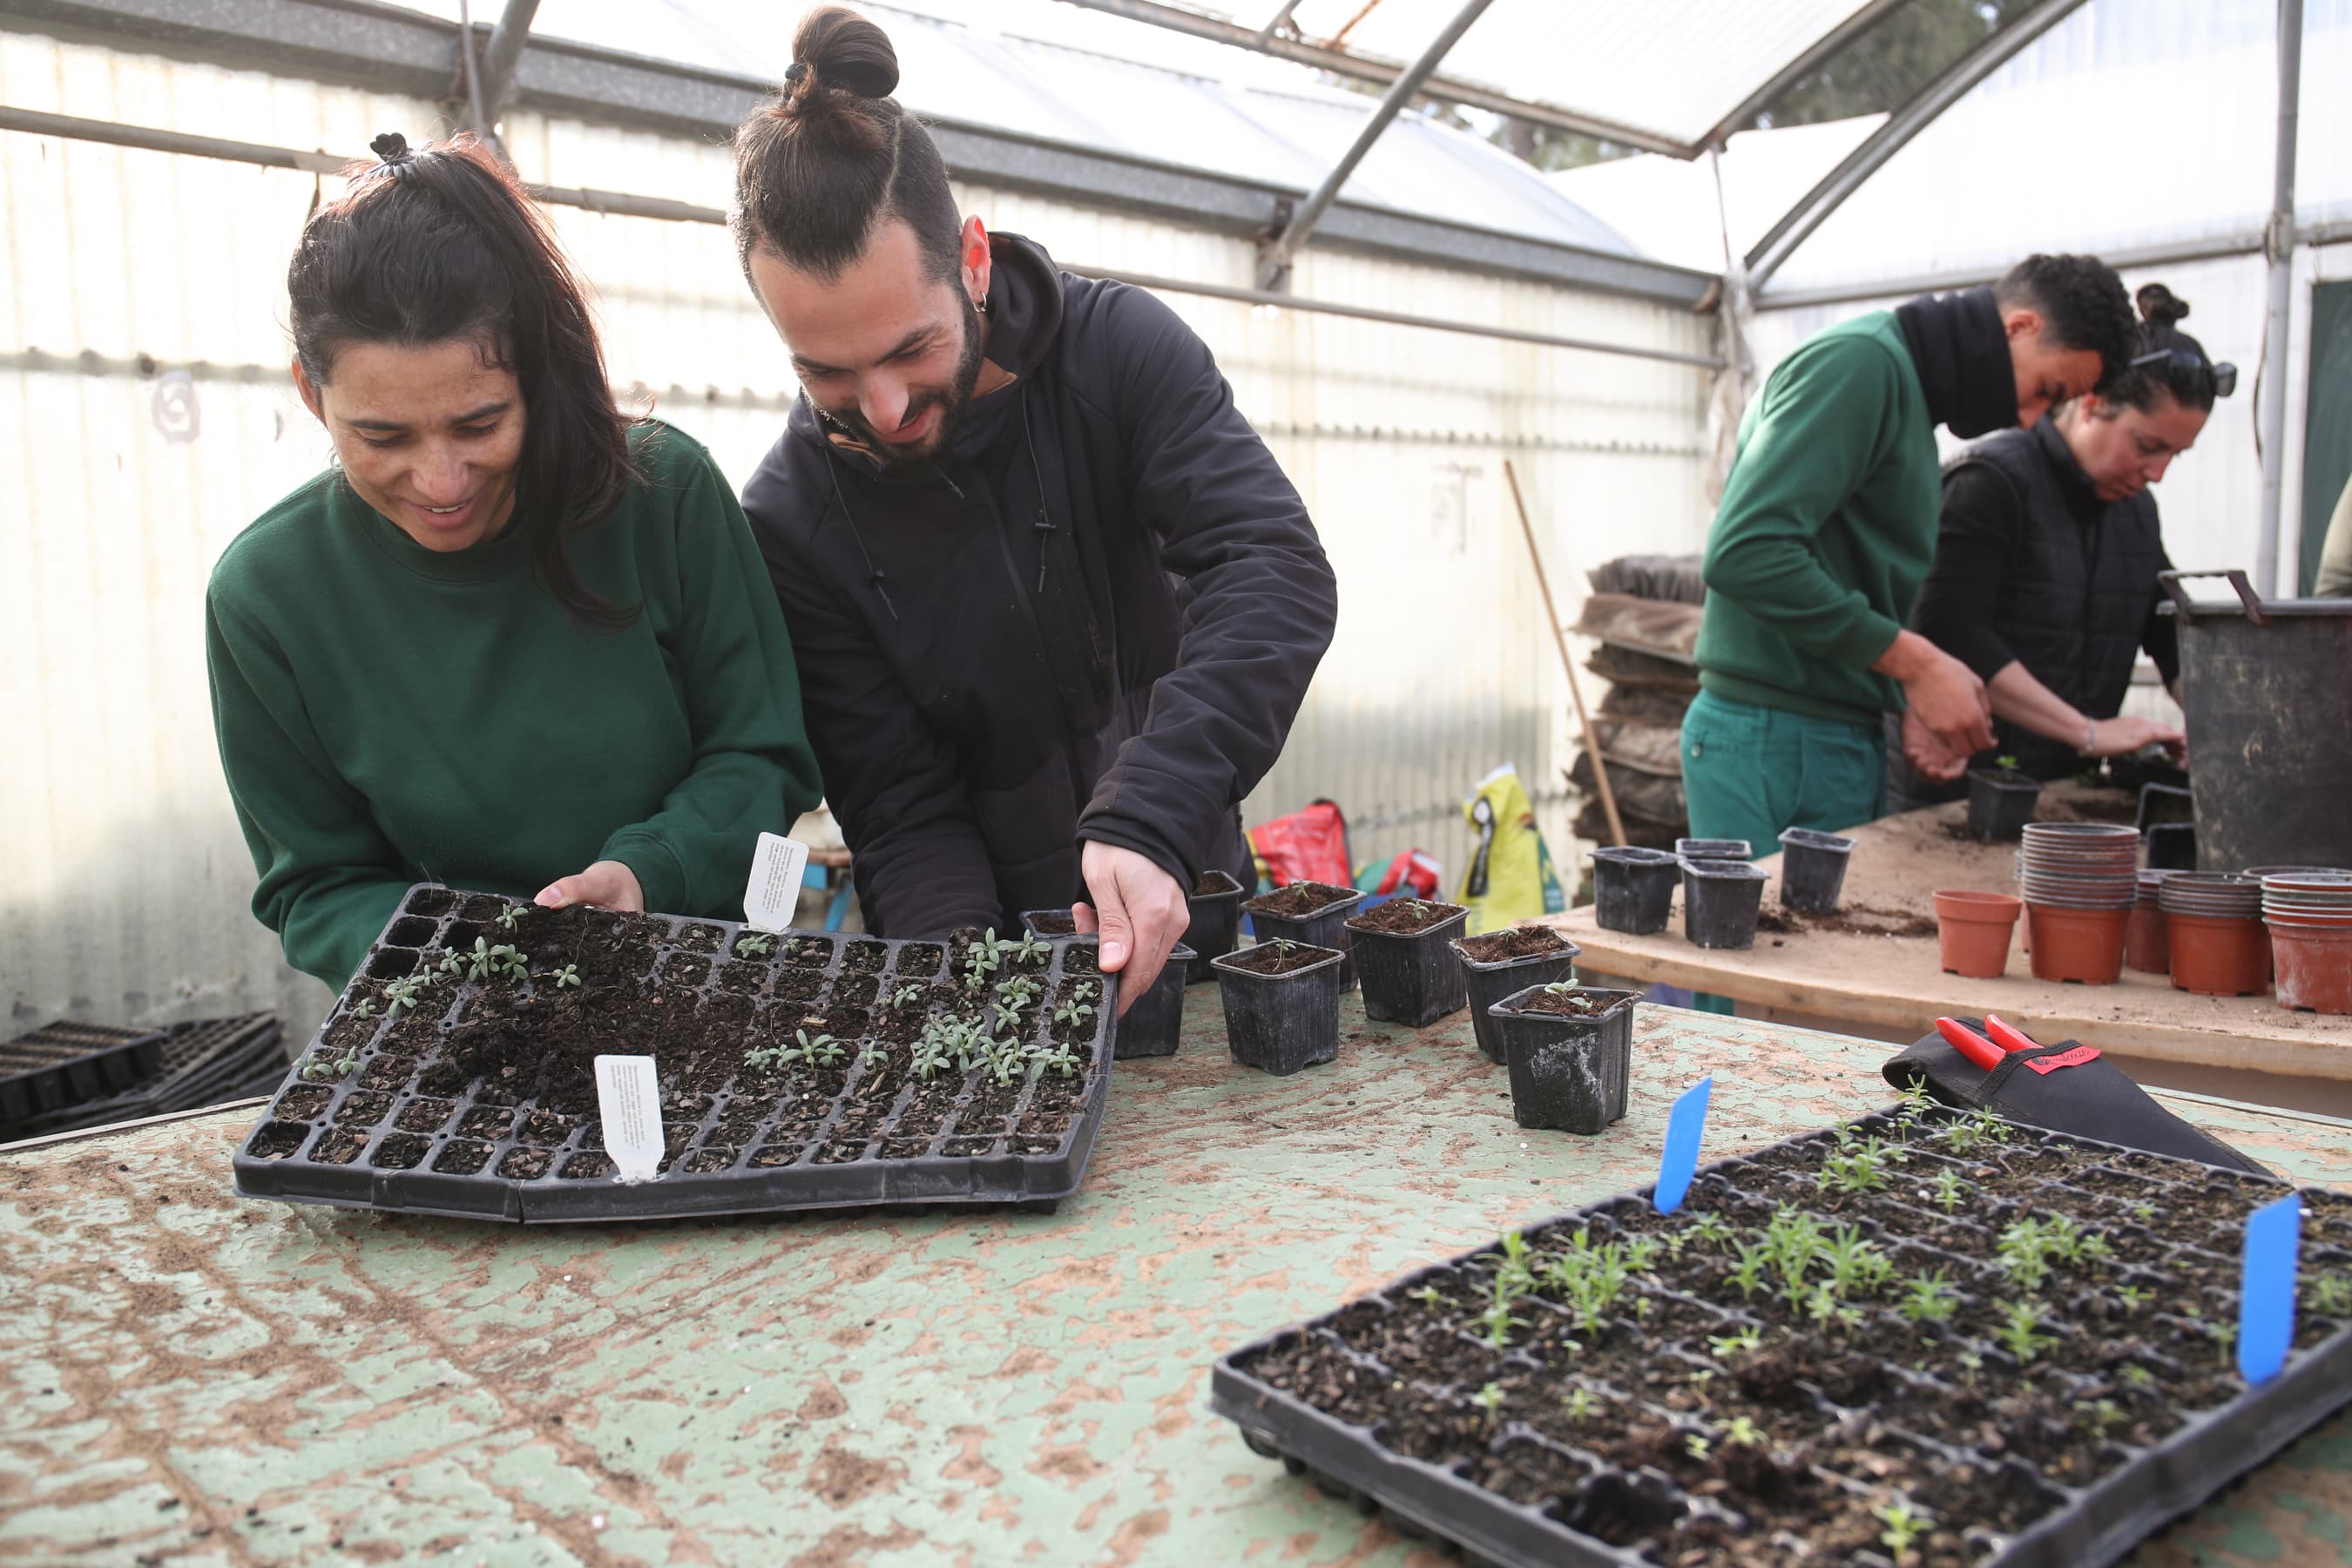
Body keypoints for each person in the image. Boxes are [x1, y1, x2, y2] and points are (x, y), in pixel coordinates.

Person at [729, 7, 1337, 1006]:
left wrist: (1153, 815)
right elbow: (897, 799)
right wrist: (976, 1000)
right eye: (827, 373)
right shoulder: (793, 520)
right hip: (994, 938)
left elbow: (1271, 568)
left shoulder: (1117, 353)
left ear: (972, 259)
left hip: (1188, 885)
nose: (882, 410)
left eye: (909, 350)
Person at [207, 132, 822, 990]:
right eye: (381, 437)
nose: (440, 480)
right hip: (449, 1029)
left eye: (479, 424)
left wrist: (650, 871)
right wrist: (454, 959)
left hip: (692, 982)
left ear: (538, 377)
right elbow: (317, 885)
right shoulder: (268, 596)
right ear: (314, 396)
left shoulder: (660, 493)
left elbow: (761, 754)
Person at [1683, 254, 2139, 851]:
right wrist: (1915, 663)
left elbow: (1844, 566)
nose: (2029, 422)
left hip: (1824, 736)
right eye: (2043, 392)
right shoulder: (1860, 366)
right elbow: (1746, 552)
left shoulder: (1907, 400)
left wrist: (1898, 698)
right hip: (1776, 739)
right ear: (2019, 327)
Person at [1895, 284, 2220, 805]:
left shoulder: (2134, 511)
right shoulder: (1991, 482)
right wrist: (2088, 732)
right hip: (1960, 791)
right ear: (2091, 402)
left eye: (2174, 457)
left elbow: (2164, 631)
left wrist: (2227, 734)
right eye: (2147, 446)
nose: (2156, 473)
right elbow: (1950, 629)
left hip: (2059, 793)